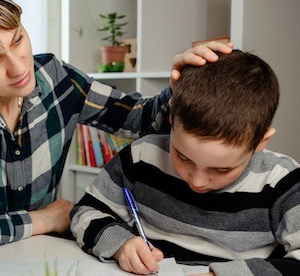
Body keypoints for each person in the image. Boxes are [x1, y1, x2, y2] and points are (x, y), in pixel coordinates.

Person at [0, 0, 232, 253]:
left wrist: (177, 84)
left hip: (38, 254)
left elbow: (142, 120)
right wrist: (46, 219)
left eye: (17, 40)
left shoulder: (56, 76)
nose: (19, 68)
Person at [70, 50, 300, 276]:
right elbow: (86, 212)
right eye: (182, 157)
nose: (197, 181)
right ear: (171, 119)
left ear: (261, 141)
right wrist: (121, 245)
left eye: (221, 169)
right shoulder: (141, 156)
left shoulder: (282, 180)